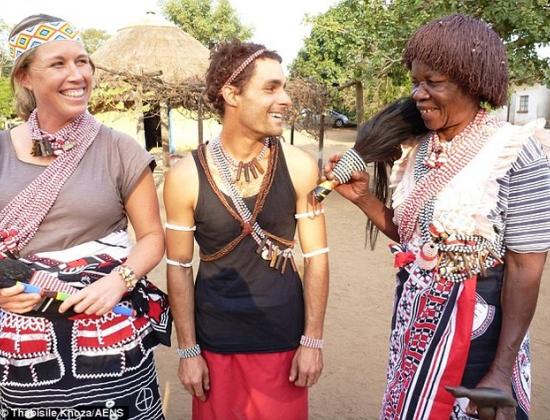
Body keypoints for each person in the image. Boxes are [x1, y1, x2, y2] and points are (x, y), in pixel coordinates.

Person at [325, 14, 550, 420]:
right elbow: (414, 238)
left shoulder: (515, 151)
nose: (418, 94)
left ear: (474, 81)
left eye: (433, 82)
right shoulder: (419, 149)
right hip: (414, 333)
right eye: (416, 82)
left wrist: (500, 372)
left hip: (479, 343)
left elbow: (526, 269)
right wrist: (364, 199)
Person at [0, 14, 169, 419]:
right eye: (58, 64)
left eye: (82, 62)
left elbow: (152, 238)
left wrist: (119, 280)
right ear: (25, 77)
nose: (77, 75)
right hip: (23, 347)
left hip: (108, 336)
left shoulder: (119, 150)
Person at [164, 39, 329, 420]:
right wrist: (188, 350)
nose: (285, 99)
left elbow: (317, 259)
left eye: (283, 87)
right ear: (232, 94)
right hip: (215, 342)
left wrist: (312, 341)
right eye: (271, 88)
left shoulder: (300, 167)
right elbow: (178, 267)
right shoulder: (184, 177)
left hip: (283, 339)